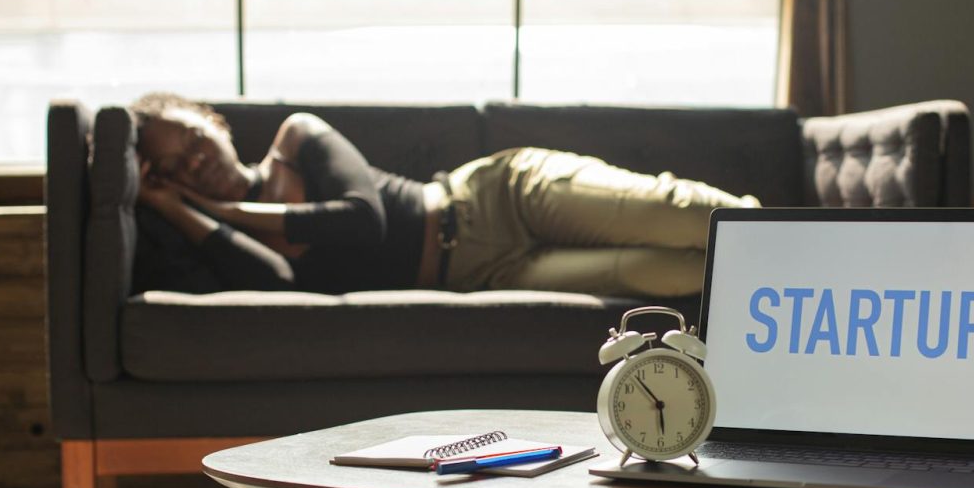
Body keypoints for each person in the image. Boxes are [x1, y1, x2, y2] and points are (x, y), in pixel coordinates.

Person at [131, 92, 760, 298]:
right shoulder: (224, 240)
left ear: (214, 124)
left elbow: (363, 220)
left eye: (193, 138)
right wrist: (176, 211)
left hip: (497, 198)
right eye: (175, 166)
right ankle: (782, 292)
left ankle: (803, 242)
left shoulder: (296, 137)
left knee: (682, 217)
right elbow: (279, 283)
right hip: (485, 273)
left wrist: (224, 210)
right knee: (664, 274)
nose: (195, 160)